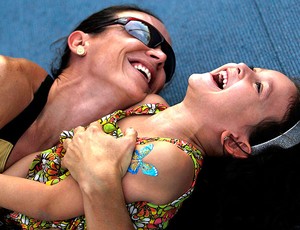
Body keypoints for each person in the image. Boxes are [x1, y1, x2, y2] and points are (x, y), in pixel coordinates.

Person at [0, 63, 299, 229]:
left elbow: (51, 203)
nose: (246, 68)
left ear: (235, 142)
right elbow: (47, 158)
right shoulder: (150, 105)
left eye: (259, 86)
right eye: (257, 68)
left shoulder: (173, 160)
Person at [0, 4, 176, 173]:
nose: (161, 57)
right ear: (79, 43)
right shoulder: (8, 78)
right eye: (142, 32)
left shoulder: (111, 158)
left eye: (169, 65)